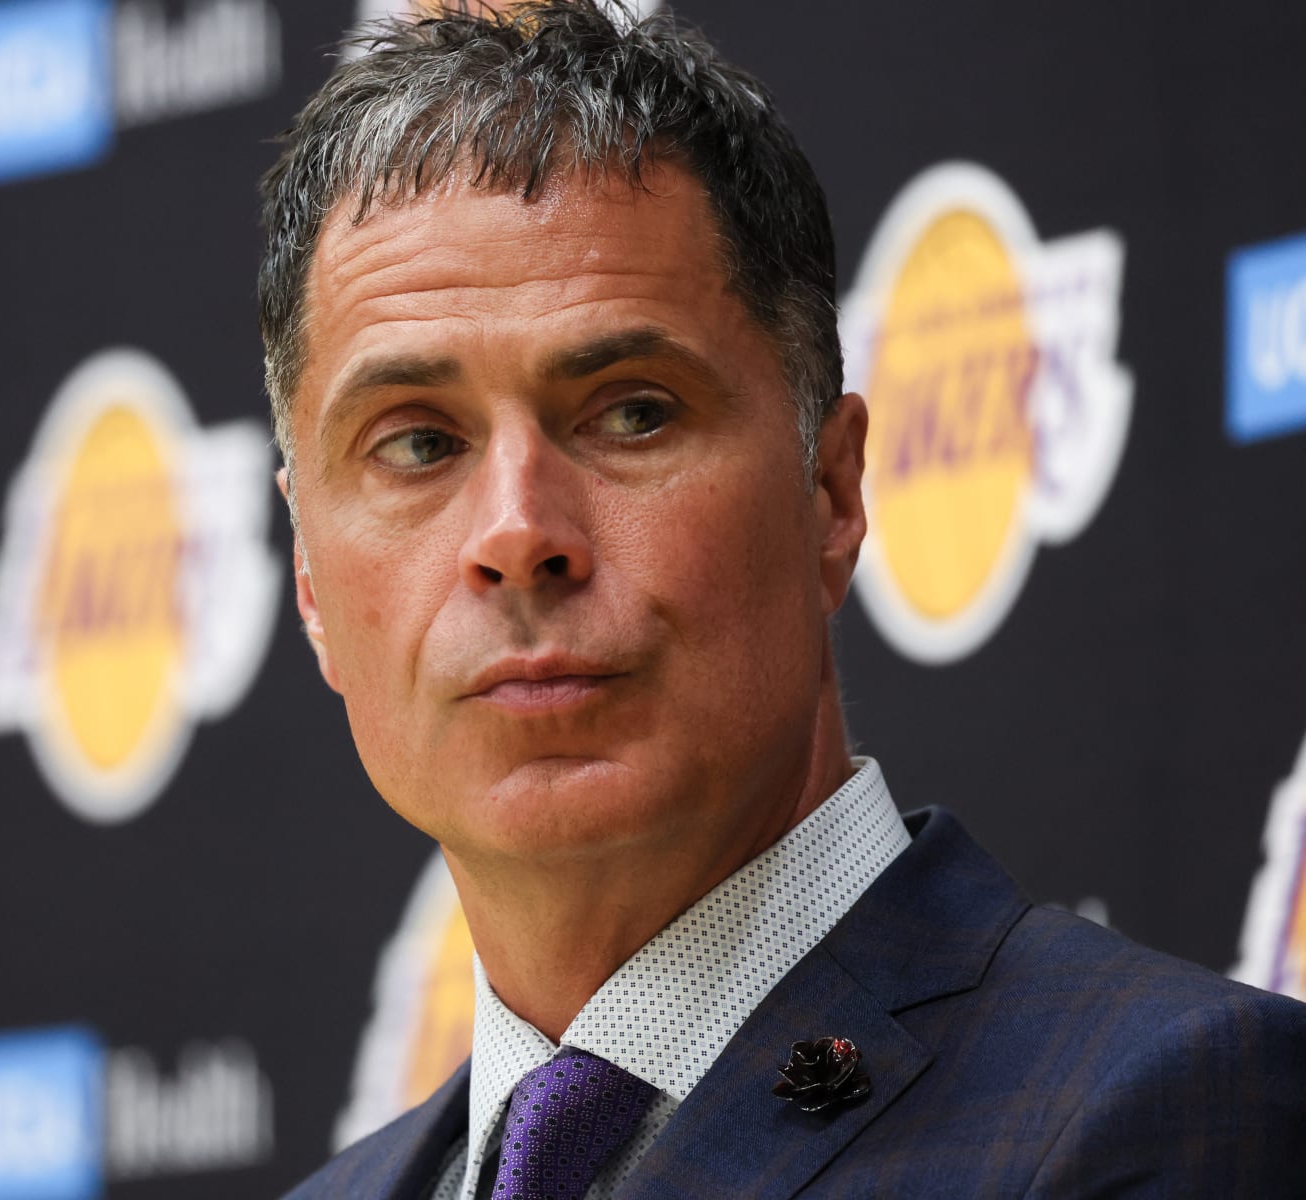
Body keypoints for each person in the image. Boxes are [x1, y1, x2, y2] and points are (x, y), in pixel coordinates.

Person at [259, 3, 1306, 1196]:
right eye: (417, 444)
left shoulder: (1161, 1111)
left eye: (632, 412)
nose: (516, 534)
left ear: (830, 488)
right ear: (307, 575)